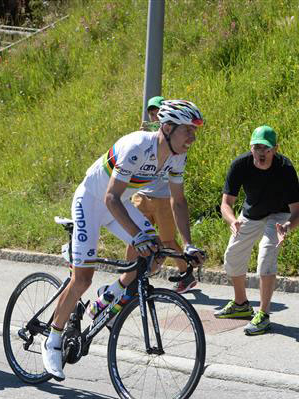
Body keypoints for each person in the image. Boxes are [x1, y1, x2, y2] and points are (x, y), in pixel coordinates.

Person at [41, 100, 206, 380]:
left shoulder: (178, 155)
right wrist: (137, 234)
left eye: (194, 132)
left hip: (120, 204)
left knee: (154, 254)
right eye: (187, 131)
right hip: (92, 202)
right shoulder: (136, 147)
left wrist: (188, 244)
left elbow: (178, 202)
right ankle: (53, 339)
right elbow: (109, 197)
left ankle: (108, 297)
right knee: (82, 279)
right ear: (167, 128)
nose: (192, 138)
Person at [215, 125, 299, 336]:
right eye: (257, 147)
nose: (261, 153)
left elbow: (297, 211)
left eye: (266, 148)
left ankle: (263, 315)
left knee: (265, 256)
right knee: (232, 257)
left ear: (275, 149)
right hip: (250, 215)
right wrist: (232, 220)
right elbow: (225, 203)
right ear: (251, 148)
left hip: (278, 217)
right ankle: (241, 304)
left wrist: (287, 227)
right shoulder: (240, 165)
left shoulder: (285, 168)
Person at [125, 95, 196, 294]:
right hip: (140, 195)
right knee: (135, 237)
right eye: (151, 111)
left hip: (164, 197)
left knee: (167, 240)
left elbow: (178, 195)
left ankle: (185, 273)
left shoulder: (177, 144)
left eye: (157, 110)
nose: (154, 114)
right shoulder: (144, 139)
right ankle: (128, 275)